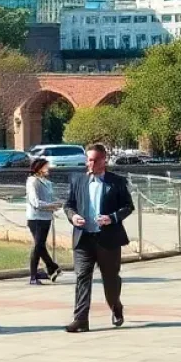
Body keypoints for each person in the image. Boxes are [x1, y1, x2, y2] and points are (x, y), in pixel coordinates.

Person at [63, 142, 134, 333]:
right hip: (84, 239)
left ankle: (116, 306)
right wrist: (73, 216)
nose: (90, 164)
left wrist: (111, 218)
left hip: (108, 240)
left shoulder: (117, 182)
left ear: (104, 160)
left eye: (94, 160)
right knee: (82, 277)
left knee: (110, 279)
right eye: (88, 159)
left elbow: (128, 206)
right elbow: (68, 205)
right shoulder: (77, 180)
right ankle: (80, 319)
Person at [26, 157, 63, 285]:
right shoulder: (32, 181)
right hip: (36, 218)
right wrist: (51, 205)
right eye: (46, 167)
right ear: (39, 168)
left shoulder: (47, 182)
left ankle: (44, 270)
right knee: (38, 246)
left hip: (46, 218)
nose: (49, 169)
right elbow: (35, 202)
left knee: (39, 246)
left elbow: (49, 198)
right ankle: (42, 271)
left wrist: (55, 204)